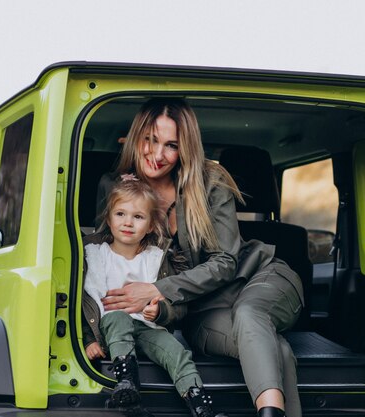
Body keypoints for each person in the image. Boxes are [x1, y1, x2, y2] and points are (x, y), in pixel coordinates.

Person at [95, 98, 304, 417]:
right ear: (137, 137)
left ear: (185, 149)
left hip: (257, 276)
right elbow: (102, 257)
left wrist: (157, 289)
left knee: (250, 314)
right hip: (202, 307)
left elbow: (225, 263)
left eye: (171, 145)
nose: (157, 154)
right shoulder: (115, 186)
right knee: (276, 349)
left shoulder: (210, 183)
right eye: (150, 140)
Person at [82, 178, 226, 417]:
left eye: (138, 217)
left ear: (150, 226)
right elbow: (82, 306)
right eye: (120, 214)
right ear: (108, 219)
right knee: (118, 317)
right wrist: (88, 340)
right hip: (110, 332)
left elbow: (177, 306)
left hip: (148, 328)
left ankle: (201, 406)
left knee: (178, 352)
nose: (128, 222)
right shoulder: (94, 256)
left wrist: (161, 312)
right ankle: (127, 383)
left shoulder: (157, 259)